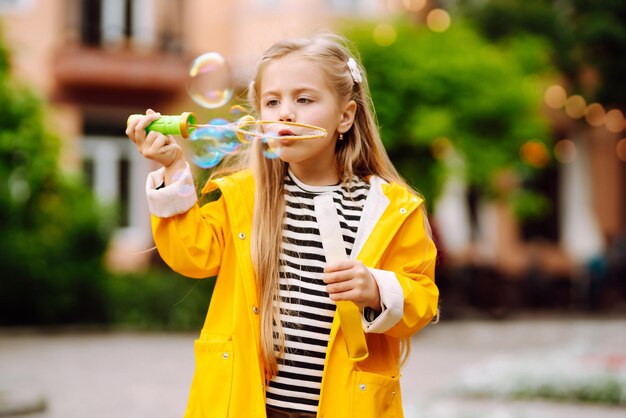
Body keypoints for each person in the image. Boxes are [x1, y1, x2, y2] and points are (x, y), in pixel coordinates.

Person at [126, 32, 438, 418]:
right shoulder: (244, 196)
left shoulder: (390, 209)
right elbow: (192, 255)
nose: (285, 113)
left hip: (346, 405)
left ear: (345, 116)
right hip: (245, 404)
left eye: (304, 100)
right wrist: (173, 168)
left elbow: (422, 299)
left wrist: (376, 288)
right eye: (272, 102)